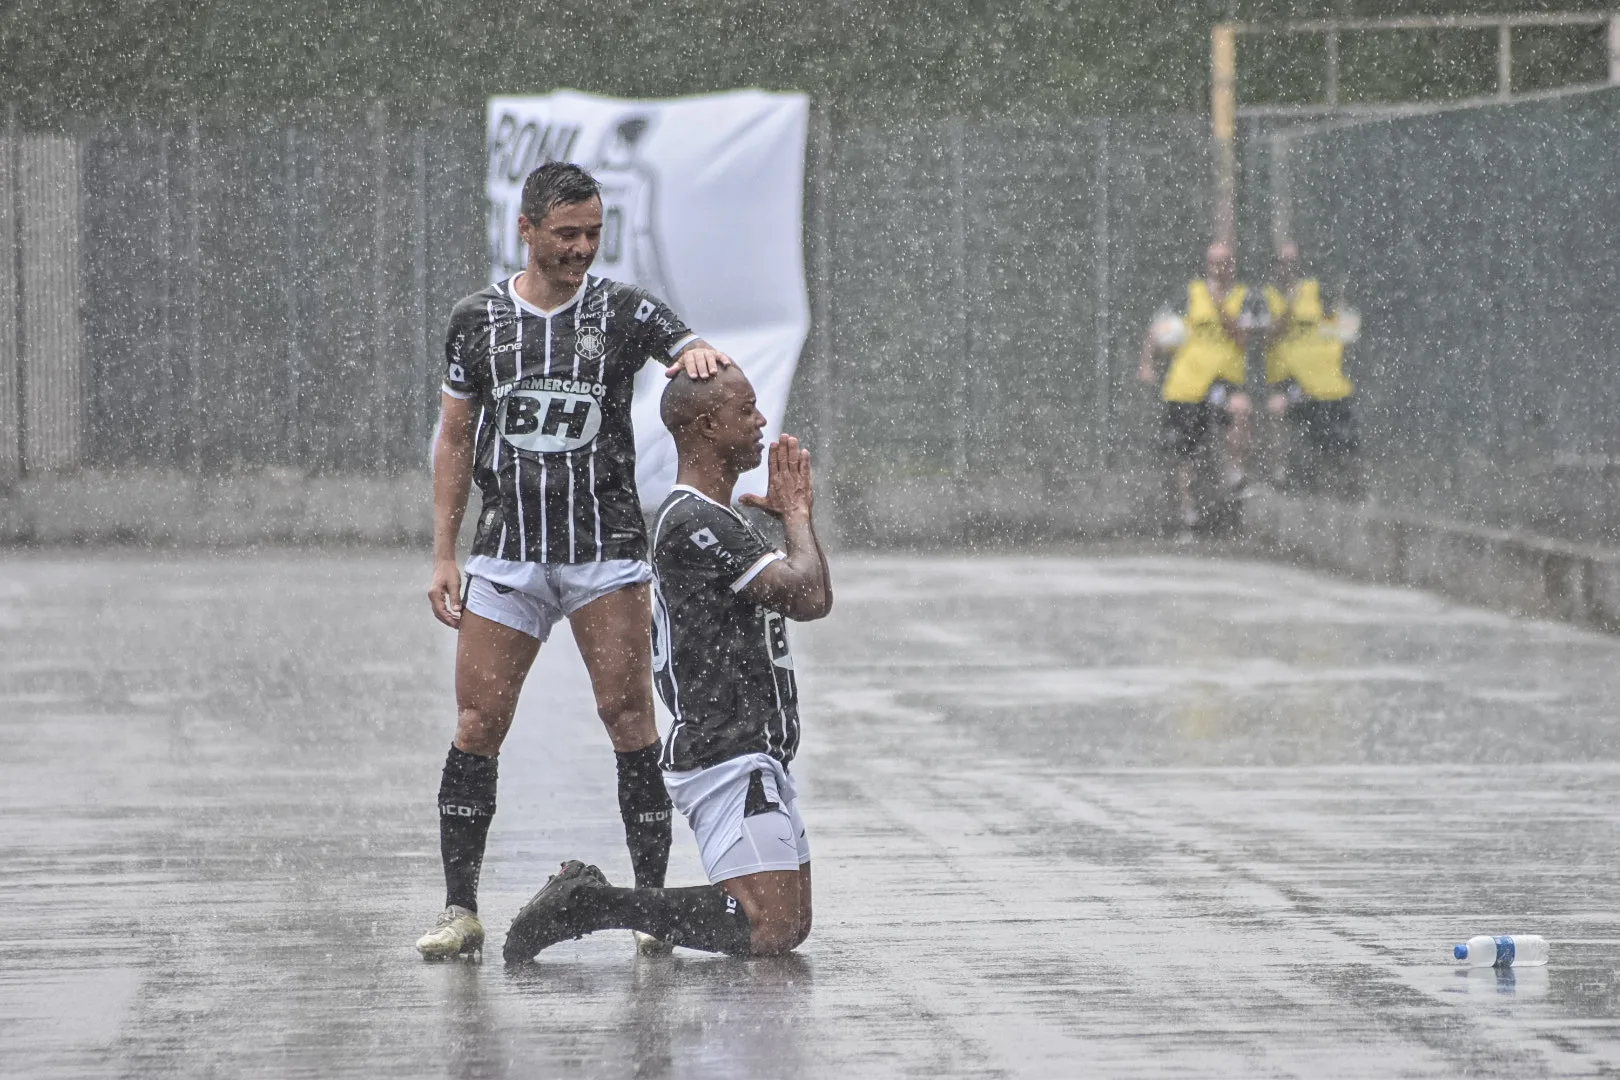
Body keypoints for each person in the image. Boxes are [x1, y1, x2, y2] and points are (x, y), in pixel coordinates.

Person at [416, 161, 733, 961]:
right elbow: (455, 439)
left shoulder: (621, 312)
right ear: (525, 230)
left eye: (593, 234)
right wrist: (444, 554)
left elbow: (689, 346)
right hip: (509, 559)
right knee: (478, 724)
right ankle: (460, 911)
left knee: (630, 722)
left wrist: (697, 355)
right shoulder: (476, 320)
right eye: (566, 235)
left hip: (605, 555)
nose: (582, 249)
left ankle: (651, 912)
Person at [502, 364, 832, 962]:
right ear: (707, 426)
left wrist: (789, 525)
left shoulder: (722, 517)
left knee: (790, 926)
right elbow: (808, 596)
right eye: (747, 411)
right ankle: (593, 903)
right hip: (724, 750)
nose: (762, 422)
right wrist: (800, 520)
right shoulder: (694, 520)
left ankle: (606, 902)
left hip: (755, 748)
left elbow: (811, 592)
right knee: (767, 927)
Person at [1138, 243, 1253, 532]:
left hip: (1222, 380)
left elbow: (1241, 338)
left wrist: (1220, 307)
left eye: (1224, 263)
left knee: (1239, 410)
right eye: (1214, 263)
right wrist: (1147, 363)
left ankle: (1234, 474)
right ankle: (1187, 517)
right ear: (1206, 265)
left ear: (1233, 266)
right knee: (1183, 454)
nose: (1219, 269)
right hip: (1186, 385)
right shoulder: (1189, 295)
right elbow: (1157, 328)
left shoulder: (1243, 297)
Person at [1261, 242, 1359, 491]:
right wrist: (1289, 305)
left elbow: (1344, 324)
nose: (1289, 269)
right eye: (1283, 263)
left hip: (1323, 378)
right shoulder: (1266, 297)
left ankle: (1345, 481)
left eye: (1293, 263)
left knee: (1337, 423)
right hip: (1287, 379)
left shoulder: (1317, 293)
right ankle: (1282, 472)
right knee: (1280, 408)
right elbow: (1268, 336)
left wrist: (1335, 348)